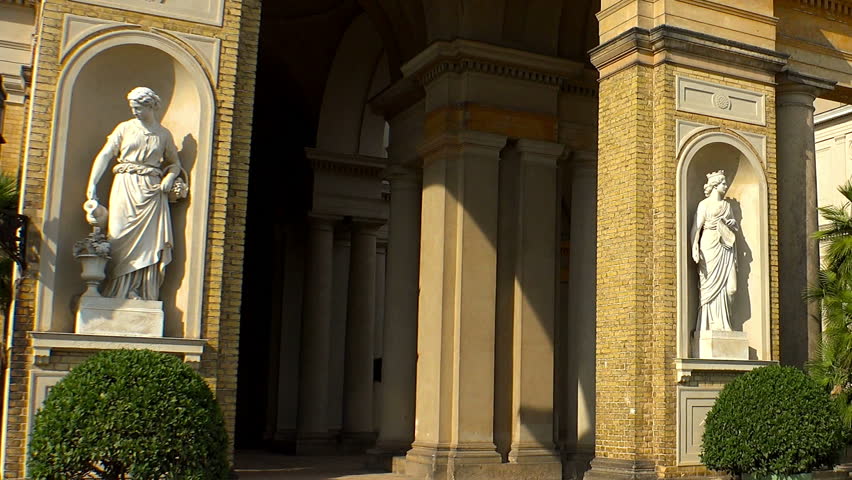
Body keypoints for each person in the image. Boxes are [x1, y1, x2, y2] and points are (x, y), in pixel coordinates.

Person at [85, 87, 185, 301]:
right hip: (125, 184)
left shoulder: (163, 134)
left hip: (151, 190)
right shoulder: (124, 128)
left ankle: (139, 291)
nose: (134, 112)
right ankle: (115, 291)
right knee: (118, 234)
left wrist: (169, 177)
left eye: (138, 107)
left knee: (148, 245)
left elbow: (175, 163)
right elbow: (105, 155)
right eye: (132, 107)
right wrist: (93, 184)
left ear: (150, 106)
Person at [690, 169, 737, 332]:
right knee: (708, 285)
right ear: (715, 185)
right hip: (709, 244)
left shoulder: (727, 206)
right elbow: (696, 228)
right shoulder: (704, 205)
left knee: (731, 289)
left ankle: (725, 323)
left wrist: (732, 223)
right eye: (723, 183)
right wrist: (694, 246)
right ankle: (708, 325)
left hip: (725, 245)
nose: (726, 185)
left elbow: (734, 227)